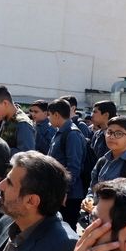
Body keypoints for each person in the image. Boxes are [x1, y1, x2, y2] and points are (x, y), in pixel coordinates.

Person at [47, 98, 87, 229]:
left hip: (69, 196)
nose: (49, 118)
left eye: (49, 115)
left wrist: (65, 191)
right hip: (58, 191)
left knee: (67, 231)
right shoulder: (60, 132)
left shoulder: (72, 134)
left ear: (56, 115)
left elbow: (73, 167)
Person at [0, 85, 35, 155]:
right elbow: (0, 142)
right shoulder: (6, 118)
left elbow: (26, 155)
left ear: (5, 103)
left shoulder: (22, 123)